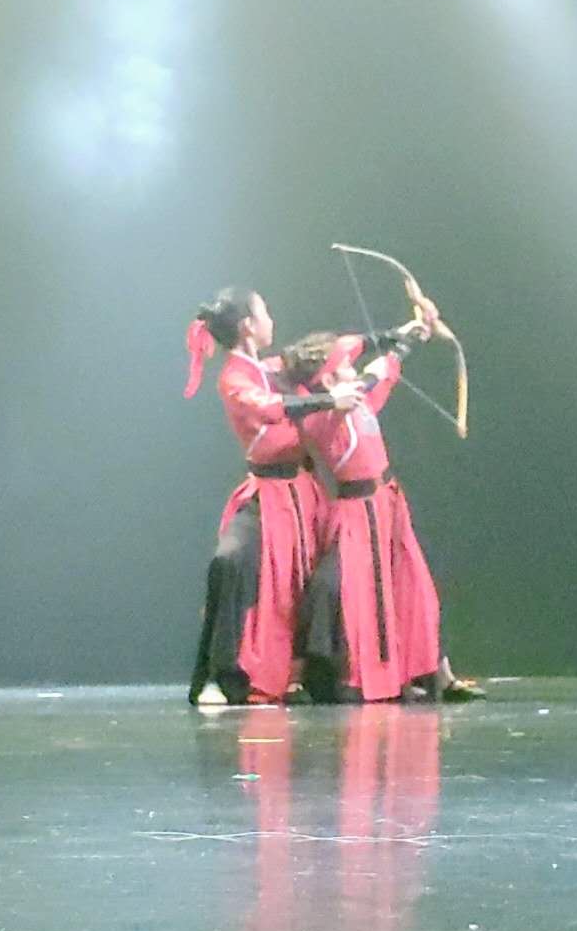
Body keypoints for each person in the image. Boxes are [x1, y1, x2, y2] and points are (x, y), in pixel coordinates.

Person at [280, 323, 485, 703]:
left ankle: (438, 675)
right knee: (333, 587)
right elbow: (368, 380)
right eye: (343, 366)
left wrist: (408, 336)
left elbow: (376, 376)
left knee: (416, 588)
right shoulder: (321, 418)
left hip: (387, 506)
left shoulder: (356, 402)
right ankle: (308, 675)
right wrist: (393, 352)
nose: (351, 368)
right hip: (356, 514)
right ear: (328, 380)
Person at [182, 289, 364, 705]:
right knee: (230, 561)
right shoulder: (235, 379)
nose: (271, 319)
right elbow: (269, 407)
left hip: (304, 494)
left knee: (314, 580)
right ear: (248, 325)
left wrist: (401, 336)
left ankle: (307, 673)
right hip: (268, 494)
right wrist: (328, 400)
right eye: (264, 312)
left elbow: (332, 352)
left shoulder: (272, 367)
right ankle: (219, 675)